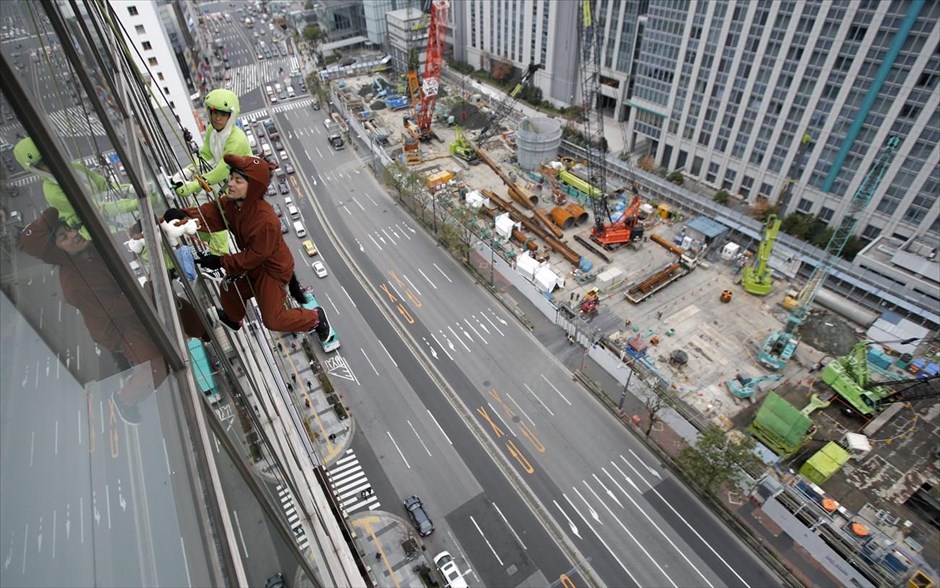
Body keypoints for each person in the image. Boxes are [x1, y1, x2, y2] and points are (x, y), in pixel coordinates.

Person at [19, 208, 210, 424]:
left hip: (128, 307)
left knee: (173, 304)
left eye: (69, 229)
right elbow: (111, 309)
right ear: (57, 252)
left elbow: (119, 240)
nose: (73, 234)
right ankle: (124, 399)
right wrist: (147, 291)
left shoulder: (88, 250)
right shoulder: (74, 283)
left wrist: (148, 225)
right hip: (117, 328)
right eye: (63, 237)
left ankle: (204, 330)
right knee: (158, 366)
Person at [163, 154, 329, 338]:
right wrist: (185, 216)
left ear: (254, 188)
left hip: (272, 271)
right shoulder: (232, 204)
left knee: (272, 320)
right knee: (229, 286)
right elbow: (212, 213)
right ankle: (234, 319)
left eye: (238, 180)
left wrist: (221, 261)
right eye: (231, 178)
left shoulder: (265, 221)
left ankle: (314, 318)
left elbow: (254, 256)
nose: (231, 183)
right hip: (255, 263)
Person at [14, 137, 138, 241]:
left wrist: (130, 189)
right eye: (43, 162)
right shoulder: (52, 191)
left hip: (117, 216)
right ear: (36, 169)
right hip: (98, 231)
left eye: (49, 155)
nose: (50, 162)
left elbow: (103, 185)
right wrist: (133, 204)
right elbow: (94, 208)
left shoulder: (74, 167)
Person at [171, 88, 251, 199]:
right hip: (222, 183)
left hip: (241, 188)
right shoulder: (211, 130)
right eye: (215, 112)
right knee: (197, 206)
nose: (218, 118)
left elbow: (223, 169)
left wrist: (194, 186)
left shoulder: (236, 139)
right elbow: (206, 155)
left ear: (231, 116)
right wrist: (188, 171)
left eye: (223, 114)